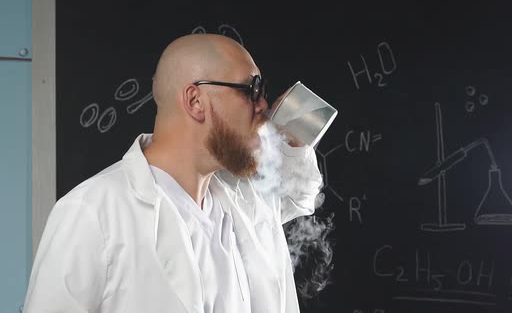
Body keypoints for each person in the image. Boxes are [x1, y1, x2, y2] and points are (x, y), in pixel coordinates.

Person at [23, 33, 323, 313]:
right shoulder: (92, 213)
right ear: (195, 101)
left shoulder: (246, 204)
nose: (263, 105)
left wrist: (291, 132)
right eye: (251, 89)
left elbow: (299, 191)